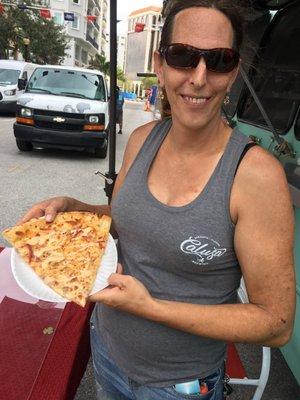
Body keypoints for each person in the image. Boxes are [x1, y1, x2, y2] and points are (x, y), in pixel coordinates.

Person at [19, 1, 295, 399]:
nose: (199, 78)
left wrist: (150, 308)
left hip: (179, 386)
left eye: (218, 61)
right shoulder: (142, 140)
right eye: (183, 56)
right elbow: (129, 219)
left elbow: (276, 323)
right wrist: (76, 208)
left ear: (233, 73)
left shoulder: (254, 175)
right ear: (160, 64)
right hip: (108, 353)